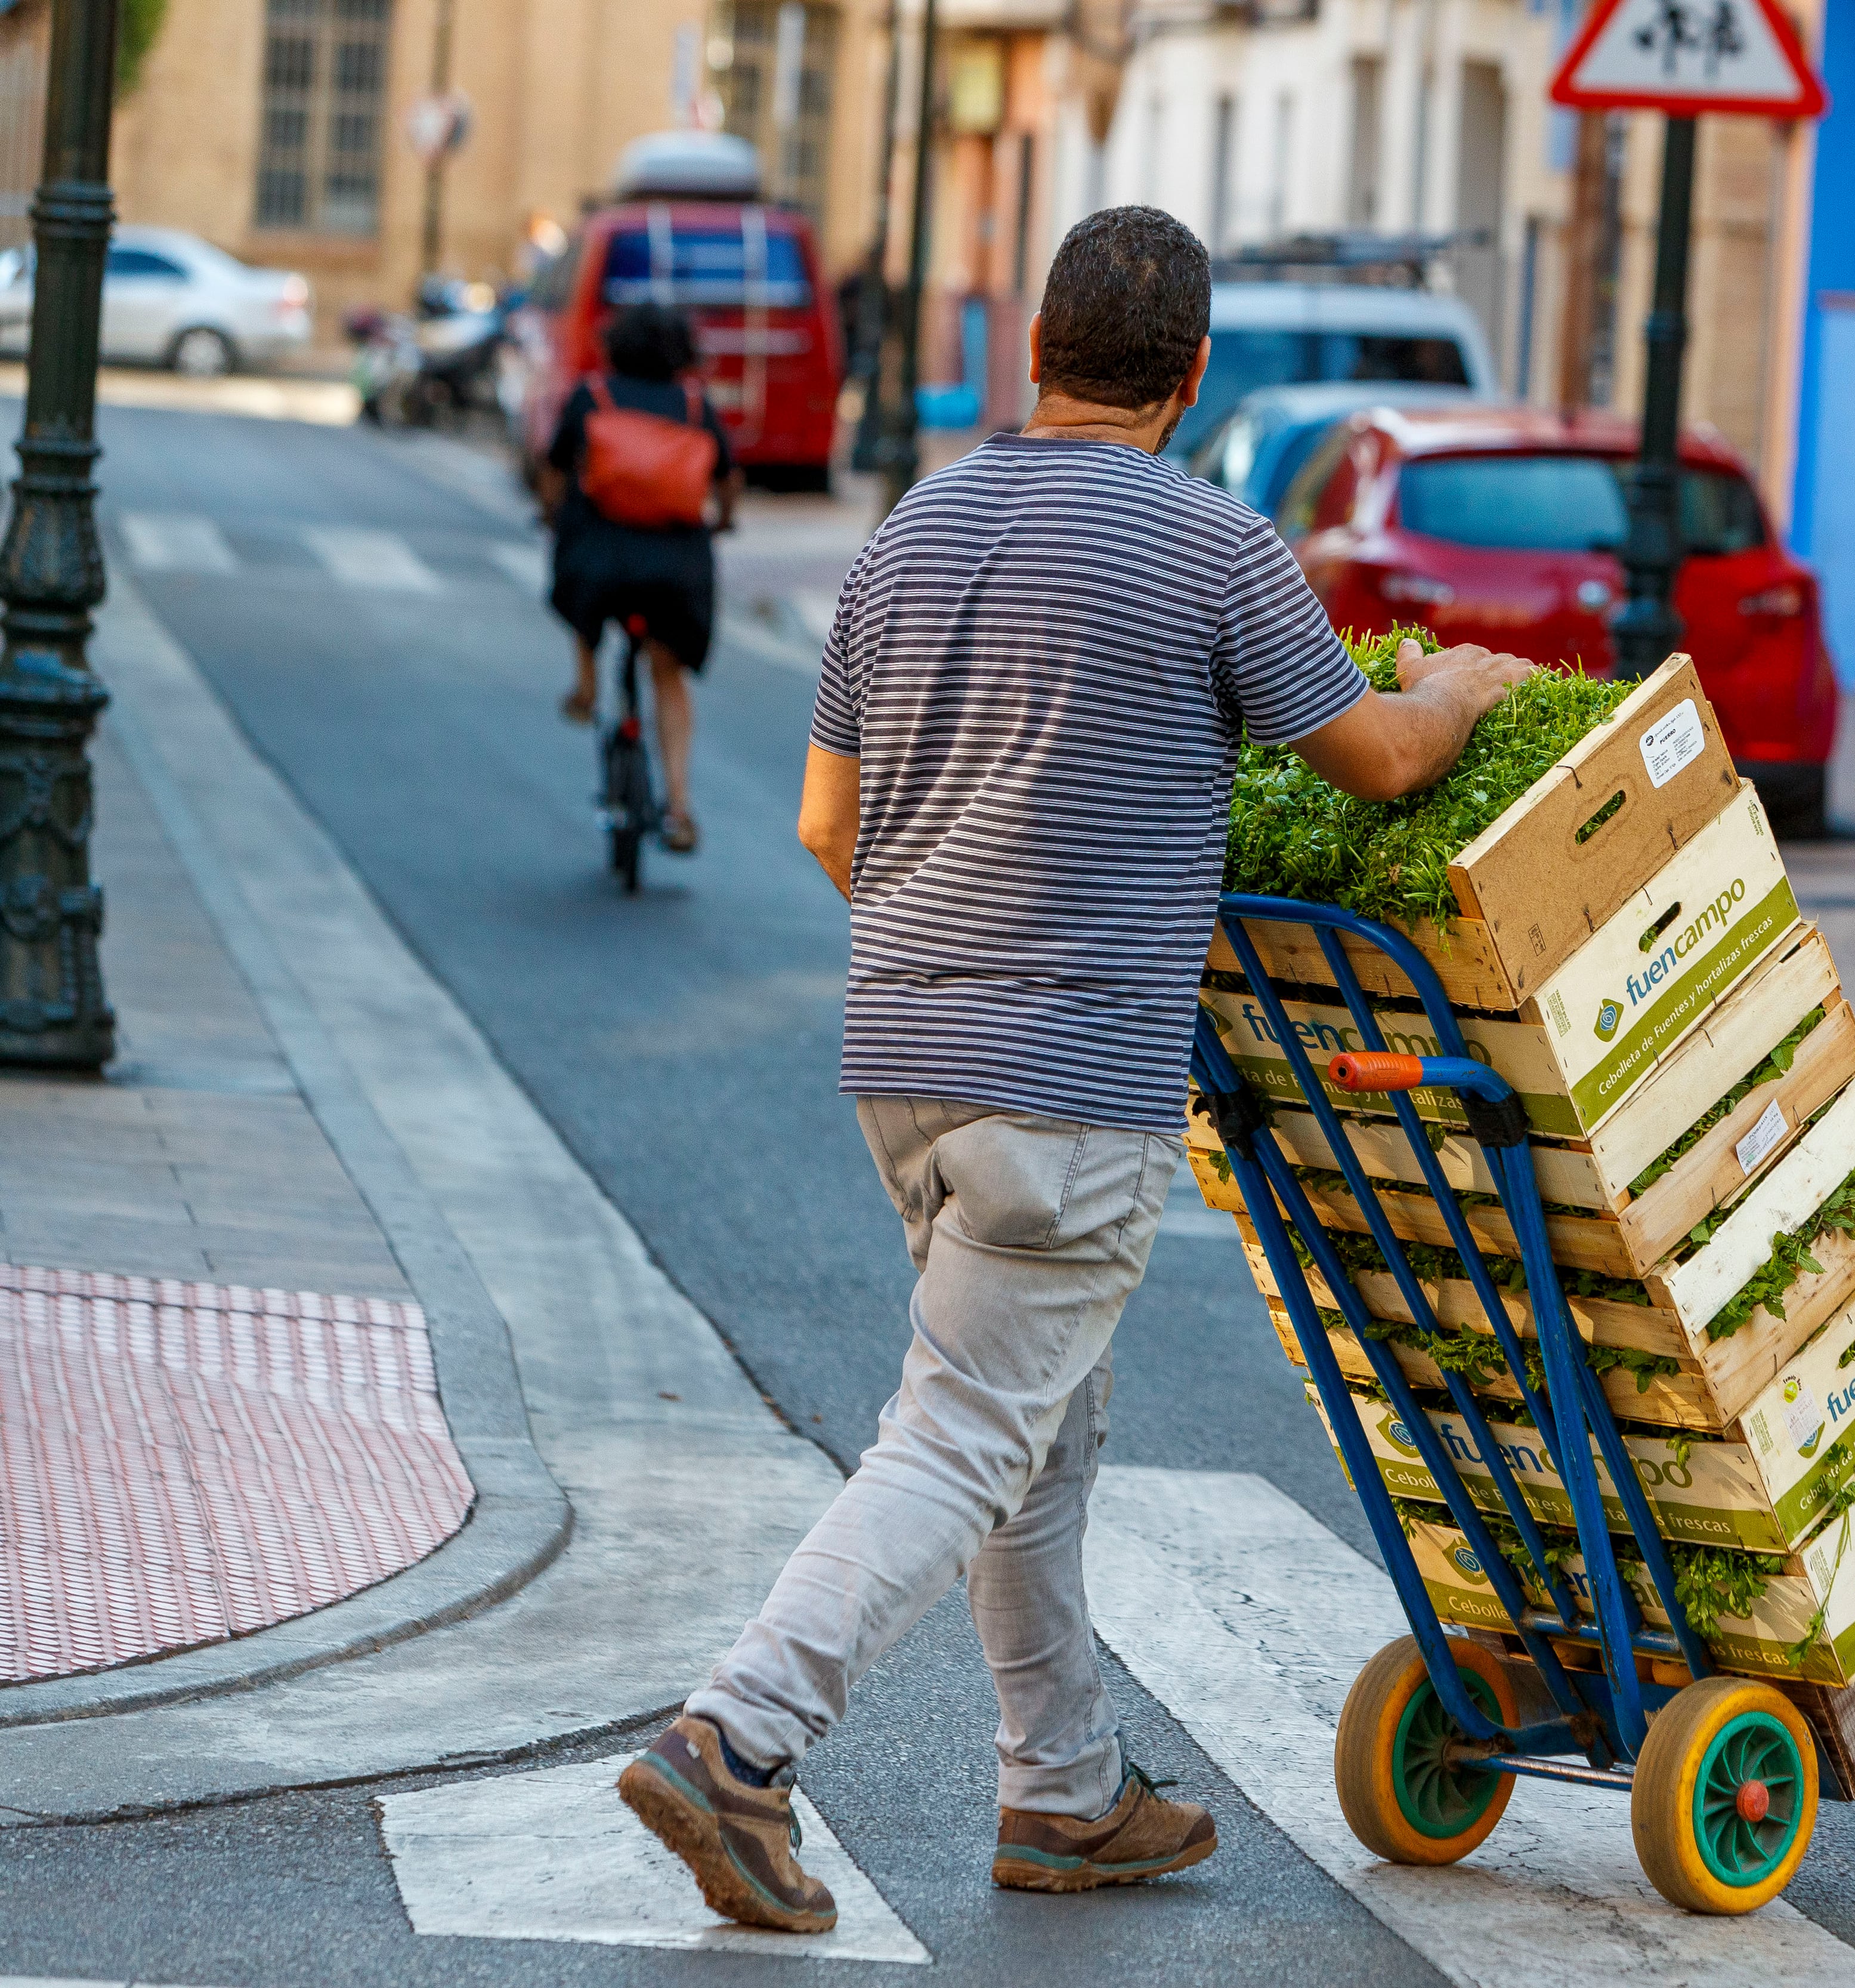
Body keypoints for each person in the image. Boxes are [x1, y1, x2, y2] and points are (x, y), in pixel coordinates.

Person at [614, 206, 1535, 1930]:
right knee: (969, 1431)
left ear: (1031, 350)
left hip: (904, 1056)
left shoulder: (907, 532)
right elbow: (1379, 758)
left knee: (1037, 1426)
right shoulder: (1212, 547)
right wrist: (1470, 683)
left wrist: (950, 940)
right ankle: (738, 1737)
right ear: (1190, 378)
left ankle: (1064, 1786)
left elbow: (829, 821)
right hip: (1069, 1079)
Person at [541, 301, 742, 856]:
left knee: (579, 571)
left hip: (602, 559)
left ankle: (585, 683)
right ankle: (679, 805)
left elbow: (555, 469)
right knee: (667, 671)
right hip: (674, 566)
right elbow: (727, 480)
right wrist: (723, 520)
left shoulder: (592, 395)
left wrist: (553, 512)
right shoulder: (697, 406)